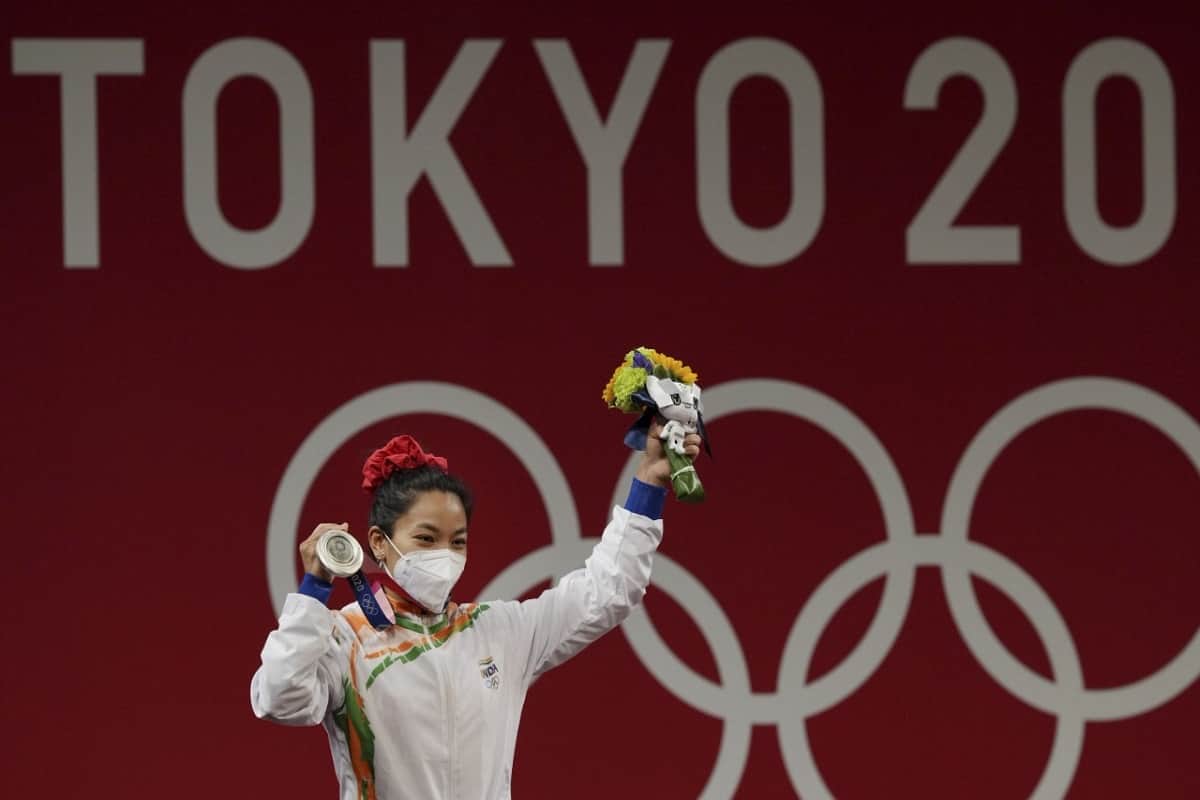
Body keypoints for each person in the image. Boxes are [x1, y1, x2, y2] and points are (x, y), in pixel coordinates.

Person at [250, 424, 701, 799]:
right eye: (425, 539)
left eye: (457, 541)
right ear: (377, 544)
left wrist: (650, 480)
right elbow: (280, 698)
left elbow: (610, 589)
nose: (444, 554)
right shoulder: (343, 637)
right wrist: (314, 589)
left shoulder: (500, 631)